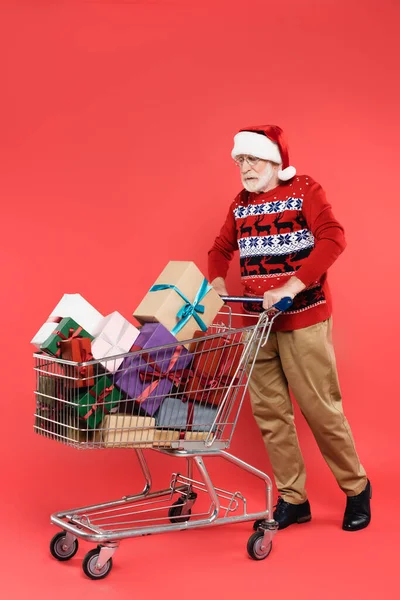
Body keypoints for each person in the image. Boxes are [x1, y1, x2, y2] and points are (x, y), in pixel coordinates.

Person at [208, 125, 371, 531]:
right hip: (256, 324)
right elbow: (219, 250)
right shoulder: (241, 203)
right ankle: (294, 498)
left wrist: (291, 286)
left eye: (252, 159)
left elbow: (333, 238)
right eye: (239, 161)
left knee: (320, 408)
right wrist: (215, 285)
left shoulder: (304, 189)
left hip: (304, 318)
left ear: (275, 162)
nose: (244, 168)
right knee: (270, 413)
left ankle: (356, 489)